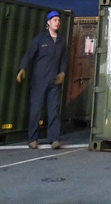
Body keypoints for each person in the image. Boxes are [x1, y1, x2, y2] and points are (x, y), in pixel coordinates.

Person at [17, 10, 68, 149]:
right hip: (39, 80)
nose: (57, 22)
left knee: (54, 110)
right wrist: (22, 68)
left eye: (58, 20)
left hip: (54, 80)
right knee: (36, 110)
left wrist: (62, 72)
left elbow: (64, 58)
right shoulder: (40, 39)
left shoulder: (61, 40)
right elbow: (29, 54)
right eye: (54, 20)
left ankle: (54, 139)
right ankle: (32, 139)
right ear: (48, 23)